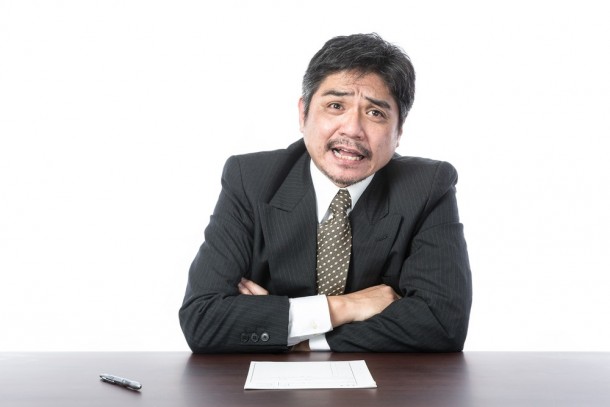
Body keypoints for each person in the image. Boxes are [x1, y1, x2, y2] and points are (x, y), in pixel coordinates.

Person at [179, 33, 472, 353]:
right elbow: (203, 319)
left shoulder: (428, 187)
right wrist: (344, 307)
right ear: (303, 114)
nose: (352, 129)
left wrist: (302, 336)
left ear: (399, 131)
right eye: (335, 106)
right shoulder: (250, 179)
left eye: (375, 113)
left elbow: (442, 324)